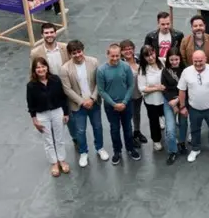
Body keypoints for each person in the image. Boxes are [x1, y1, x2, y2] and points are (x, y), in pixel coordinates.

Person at [59, 40, 109, 168]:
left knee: (97, 127)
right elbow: (67, 89)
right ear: (70, 54)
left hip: (94, 102)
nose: (77, 55)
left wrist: (92, 98)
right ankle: (83, 152)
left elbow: (99, 82)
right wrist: (82, 102)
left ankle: (100, 148)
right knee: (80, 131)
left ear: (83, 50)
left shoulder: (94, 62)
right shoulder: (65, 69)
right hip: (78, 105)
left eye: (79, 51)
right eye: (74, 53)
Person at [178, 50, 209, 163]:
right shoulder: (186, 72)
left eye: (200, 61)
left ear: (205, 59)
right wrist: (182, 106)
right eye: (195, 61)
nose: (198, 64)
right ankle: (195, 149)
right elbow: (182, 90)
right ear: (192, 60)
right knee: (194, 130)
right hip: (194, 108)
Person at [97, 43, 141, 164]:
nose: (115, 58)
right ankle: (117, 151)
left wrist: (125, 102)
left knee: (128, 128)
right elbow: (101, 90)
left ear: (120, 54)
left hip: (126, 104)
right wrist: (114, 104)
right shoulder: (101, 70)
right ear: (107, 54)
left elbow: (131, 85)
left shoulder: (126, 67)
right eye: (113, 56)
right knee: (114, 129)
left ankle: (130, 148)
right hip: (111, 106)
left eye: (117, 56)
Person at [27, 57, 70, 177]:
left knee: (59, 138)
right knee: (48, 140)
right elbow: (30, 104)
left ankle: (62, 160)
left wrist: (66, 113)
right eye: (38, 67)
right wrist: (34, 119)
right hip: (42, 115)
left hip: (57, 111)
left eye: (43, 66)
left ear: (47, 67)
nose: (41, 69)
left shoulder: (55, 79)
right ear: (34, 70)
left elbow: (63, 97)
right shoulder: (31, 86)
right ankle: (54, 163)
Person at [30, 23, 73, 141]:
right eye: (46, 33)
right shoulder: (35, 52)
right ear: (42, 35)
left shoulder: (65, 48)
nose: (49, 35)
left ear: (55, 33)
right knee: (53, 123)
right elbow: (33, 72)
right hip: (49, 91)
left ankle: (76, 139)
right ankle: (55, 144)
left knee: (72, 120)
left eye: (51, 32)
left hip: (67, 88)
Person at [161, 48, 188, 164]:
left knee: (183, 124)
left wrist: (178, 101)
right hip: (169, 102)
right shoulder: (165, 71)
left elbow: (188, 88)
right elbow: (164, 89)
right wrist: (173, 104)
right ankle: (172, 151)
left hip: (182, 100)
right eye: (171, 60)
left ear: (180, 59)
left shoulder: (186, 71)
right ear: (168, 60)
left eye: (176, 59)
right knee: (170, 129)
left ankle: (181, 142)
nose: (174, 62)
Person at [136, 45, 166, 152]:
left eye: (152, 54)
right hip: (151, 101)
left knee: (168, 118)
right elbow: (142, 88)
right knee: (154, 121)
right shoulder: (142, 70)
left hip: (165, 99)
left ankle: (170, 136)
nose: (151, 57)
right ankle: (156, 141)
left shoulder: (163, 61)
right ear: (143, 58)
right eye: (147, 56)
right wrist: (157, 88)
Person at [121, 39, 148, 145]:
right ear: (121, 51)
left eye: (130, 49)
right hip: (127, 95)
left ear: (134, 49)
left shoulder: (139, 59)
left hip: (139, 92)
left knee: (137, 113)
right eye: (125, 49)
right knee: (128, 116)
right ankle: (129, 137)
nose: (128, 51)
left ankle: (137, 131)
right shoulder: (121, 64)